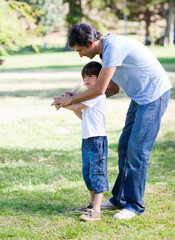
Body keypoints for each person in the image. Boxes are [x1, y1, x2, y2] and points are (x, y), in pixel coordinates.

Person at [51, 23, 172, 220]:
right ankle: (120, 199)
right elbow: (111, 89)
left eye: (81, 50)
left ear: (90, 42)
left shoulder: (113, 48)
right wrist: (77, 97)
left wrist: (73, 99)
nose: (80, 55)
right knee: (125, 146)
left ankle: (134, 205)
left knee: (137, 151)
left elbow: (99, 90)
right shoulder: (106, 52)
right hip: (140, 97)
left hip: (153, 96)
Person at [63, 61, 109, 222]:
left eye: (90, 76)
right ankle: (91, 204)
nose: (86, 80)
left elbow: (77, 106)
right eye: (84, 77)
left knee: (97, 173)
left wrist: (64, 102)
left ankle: (97, 210)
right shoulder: (89, 96)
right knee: (88, 173)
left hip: (97, 140)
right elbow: (81, 114)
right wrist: (68, 102)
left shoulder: (97, 94)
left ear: (100, 78)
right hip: (87, 139)